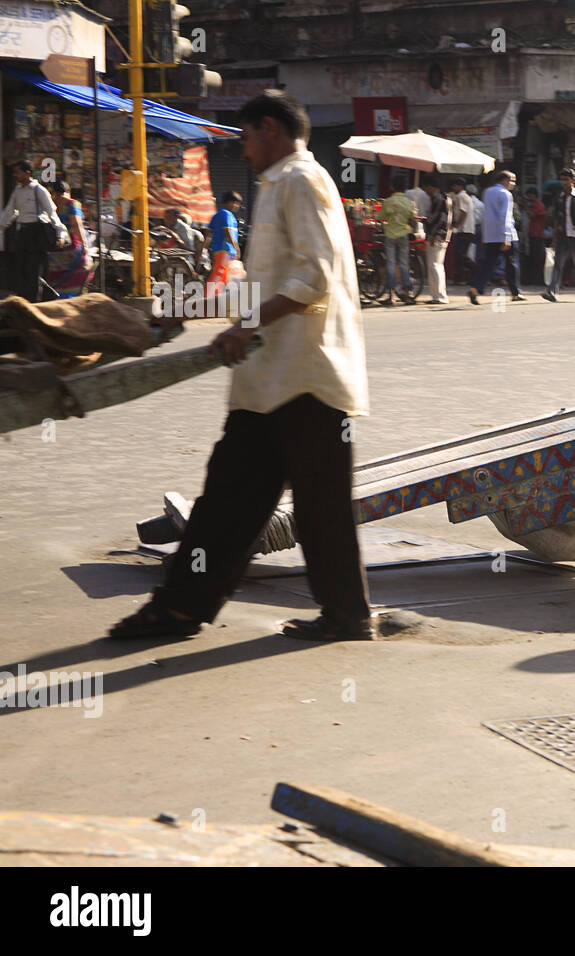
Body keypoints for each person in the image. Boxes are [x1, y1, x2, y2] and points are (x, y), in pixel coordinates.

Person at [109, 89, 373, 642]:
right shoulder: (277, 186)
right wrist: (172, 313)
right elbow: (257, 291)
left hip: (307, 378)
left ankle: (346, 616)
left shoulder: (302, 181)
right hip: (270, 383)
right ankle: (182, 606)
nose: (243, 149)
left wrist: (249, 327)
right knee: (229, 502)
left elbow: (314, 280)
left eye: (247, 135)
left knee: (317, 509)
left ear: (269, 129)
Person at [1, 160, 68, 300]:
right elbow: (10, 212)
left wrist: (61, 233)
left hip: (36, 234)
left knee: (33, 272)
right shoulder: (17, 191)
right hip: (22, 234)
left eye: (17, 172)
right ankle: (23, 302)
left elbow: (52, 213)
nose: (15, 175)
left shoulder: (39, 190)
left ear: (27, 173)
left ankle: (35, 303)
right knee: (21, 270)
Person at [470, 170, 524, 304]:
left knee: (488, 264)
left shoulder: (487, 192)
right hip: (506, 234)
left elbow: (486, 213)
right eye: (511, 180)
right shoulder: (506, 194)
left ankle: (476, 288)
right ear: (503, 180)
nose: (513, 184)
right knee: (512, 264)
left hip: (490, 234)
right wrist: (506, 237)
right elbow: (505, 216)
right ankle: (515, 292)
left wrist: (485, 233)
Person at [541, 167, 575, 302]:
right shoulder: (560, 198)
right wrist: (554, 237)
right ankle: (552, 291)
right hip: (563, 235)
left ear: (573, 181)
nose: (564, 182)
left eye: (566, 180)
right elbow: (557, 218)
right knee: (558, 263)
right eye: (562, 180)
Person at [46, 180, 90, 297]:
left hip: (55, 249)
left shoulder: (51, 204)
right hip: (72, 247)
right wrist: (85, 245)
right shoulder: (72, 203)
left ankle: (58, 299)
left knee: (57, 277)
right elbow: (77, 225)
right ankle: (71, 300)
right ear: (68, 191)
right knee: (84, 268)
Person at [380, 177, 416, 305]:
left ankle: (391, 296)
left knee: (391, 264)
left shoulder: (388, 201)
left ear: (393, 187)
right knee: (404, 264)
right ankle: (407, 295)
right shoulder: (409, 202)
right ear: (405, 188)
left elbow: (381, 218)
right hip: (403, 236)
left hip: (390, 235)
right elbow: (413, 220)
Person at [202, 190, 242, 295]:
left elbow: (208, 235)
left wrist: (203, 250)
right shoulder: (226, 214)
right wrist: (237, 248)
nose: (237, 206)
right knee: (218, 275)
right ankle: (207, 300)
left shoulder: (216, 215)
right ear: (229, 202)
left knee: (224, 277)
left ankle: (215, 301)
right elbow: (227, 232)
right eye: (236, 203)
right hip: (226, 250)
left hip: (220, 250)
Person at [422, 181, 453, 304]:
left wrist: (435, 234)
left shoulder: (438, 199)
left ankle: (439, 296)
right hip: (442, 235)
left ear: (430, 186)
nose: (425, 191)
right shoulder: (445, 198)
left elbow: (440, 220)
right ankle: (438, 295)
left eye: (426, 188)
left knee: (434, 266)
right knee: (437, 266)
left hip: (437, 236)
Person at [448, 178, 475, 284]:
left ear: (459, 186)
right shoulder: (465, 196)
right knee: (459, 255)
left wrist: (456, 225)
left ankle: (476, 269)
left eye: (454, 186)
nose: (452, 188)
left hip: (464, 229)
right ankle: (459, 278)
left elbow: (463, 212)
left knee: (460, 255)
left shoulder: (461, 196)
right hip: (466, 230)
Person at [523, 186, 548, 285]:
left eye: (529, 195)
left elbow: (530, 215)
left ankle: (536, 280)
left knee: (536, 258)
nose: (528, 197)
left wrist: (525, 205)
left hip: (536, 234)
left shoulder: (538, 205)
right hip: (534, 234)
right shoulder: (536, 204)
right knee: (534, 257)